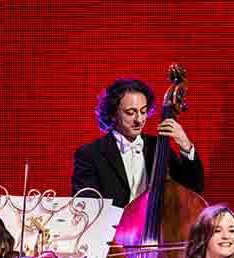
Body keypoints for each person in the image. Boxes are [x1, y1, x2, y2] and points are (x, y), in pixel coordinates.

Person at [71, 78, 204, 206]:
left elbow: (194, 187)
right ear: (113, 114)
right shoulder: (90, 154)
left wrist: (185, 144)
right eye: (130, 112)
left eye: (143, 111)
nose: (139, 120)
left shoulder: (157, 147)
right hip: (112, 228)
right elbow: (88, 205)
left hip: (156, 228)